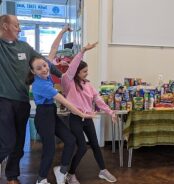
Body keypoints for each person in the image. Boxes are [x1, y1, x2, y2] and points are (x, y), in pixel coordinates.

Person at [0, 14, 61, 184]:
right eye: (16, 25)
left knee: (19, 144)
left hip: (22, 101)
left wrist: (63, 77)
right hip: (3, 100)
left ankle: (12, 176)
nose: (19, 28)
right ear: (5, 26)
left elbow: (45, 63)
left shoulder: (24, 47)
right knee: (7, 142)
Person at [25, 54, 94, 184]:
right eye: (39, 68)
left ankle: (61, 170)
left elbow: (53, 51)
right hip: (44, 116)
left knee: (70, 139)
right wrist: (82, 114)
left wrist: (62, 32)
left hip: (51, 112)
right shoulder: (40, 85)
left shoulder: (46, 72)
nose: (44, 69)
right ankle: (41, 179)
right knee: (49, 149)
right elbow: (64, 101)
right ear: (33, 72)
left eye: (45, 66)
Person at [60, 42, 117, 183]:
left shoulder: (88, 85)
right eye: (84, 71)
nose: (87, 73)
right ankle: (70, 174)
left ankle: (103, 170)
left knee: (95, 145)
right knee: (82, 147)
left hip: (88, 118)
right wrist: (83, 50)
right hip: (75, 118)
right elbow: (72, 68)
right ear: (77, 72)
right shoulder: (68, 82)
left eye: (87, 70)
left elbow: (98, 101)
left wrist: (110, 112)